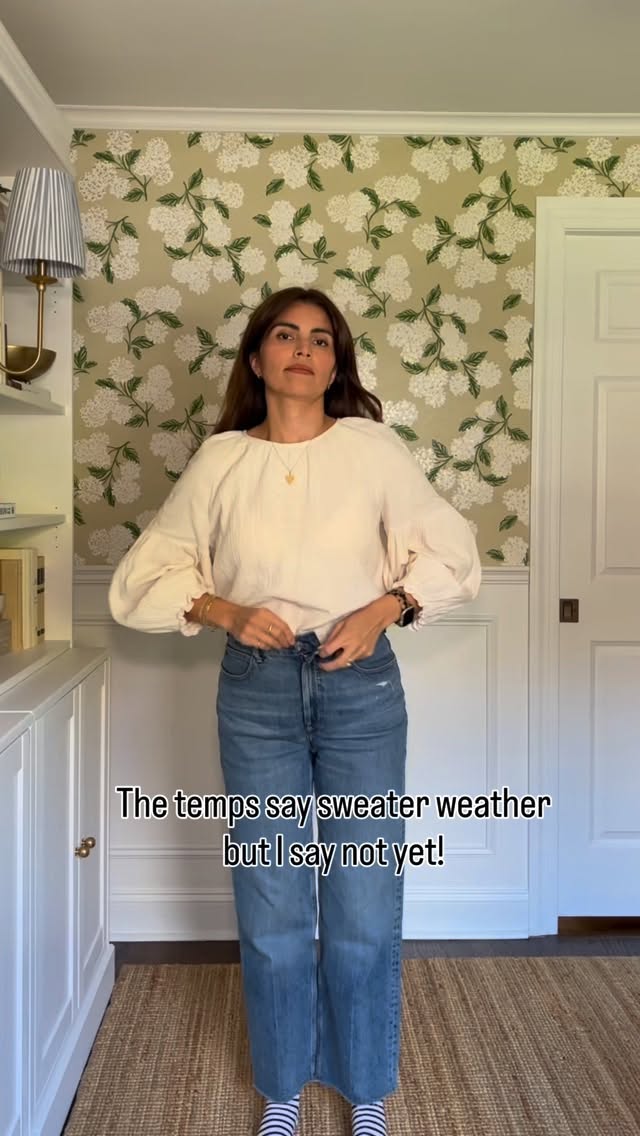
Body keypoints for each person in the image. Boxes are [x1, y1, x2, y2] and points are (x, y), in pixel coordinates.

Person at [109, 286, 481, 1136]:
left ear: (336, 363)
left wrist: (388, 605)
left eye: (322, 339)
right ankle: (281, 1084)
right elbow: (141, 580)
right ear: (257, 358)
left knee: (362, 895)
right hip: (258, 691)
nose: (304, 350)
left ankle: (364, 1092)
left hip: (361, 690)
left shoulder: (370, 448)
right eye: (286, 335)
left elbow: (453, 553)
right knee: (272, 896)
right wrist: (225, 610)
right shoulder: (223, 461)